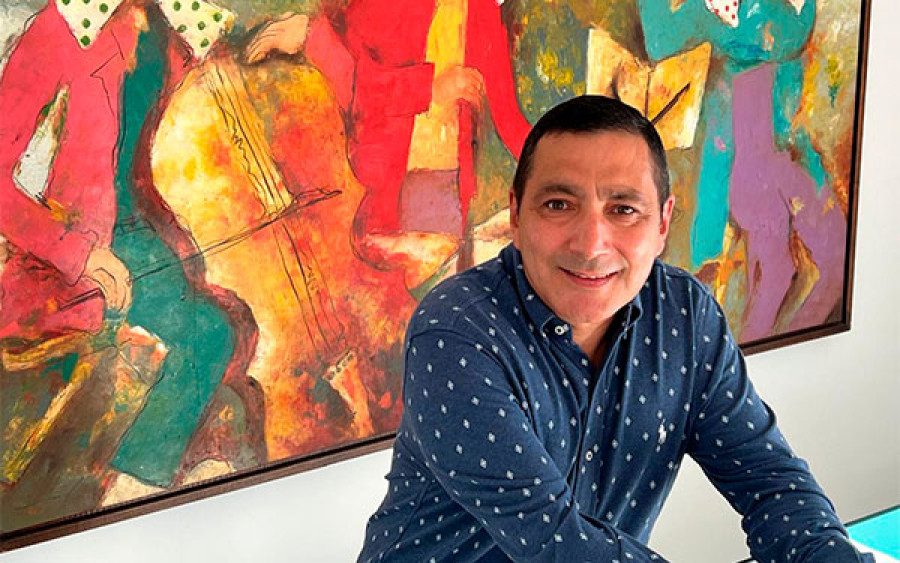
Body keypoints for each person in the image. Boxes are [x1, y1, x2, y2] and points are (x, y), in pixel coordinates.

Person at [356, 96, 872, 562]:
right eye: (559, 205)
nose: (591, 244)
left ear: (663, 223)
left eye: (623, 209)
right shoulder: (456, 331)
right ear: (516, 212)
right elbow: (556, 541)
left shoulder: (685, 317)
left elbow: (770, 482)